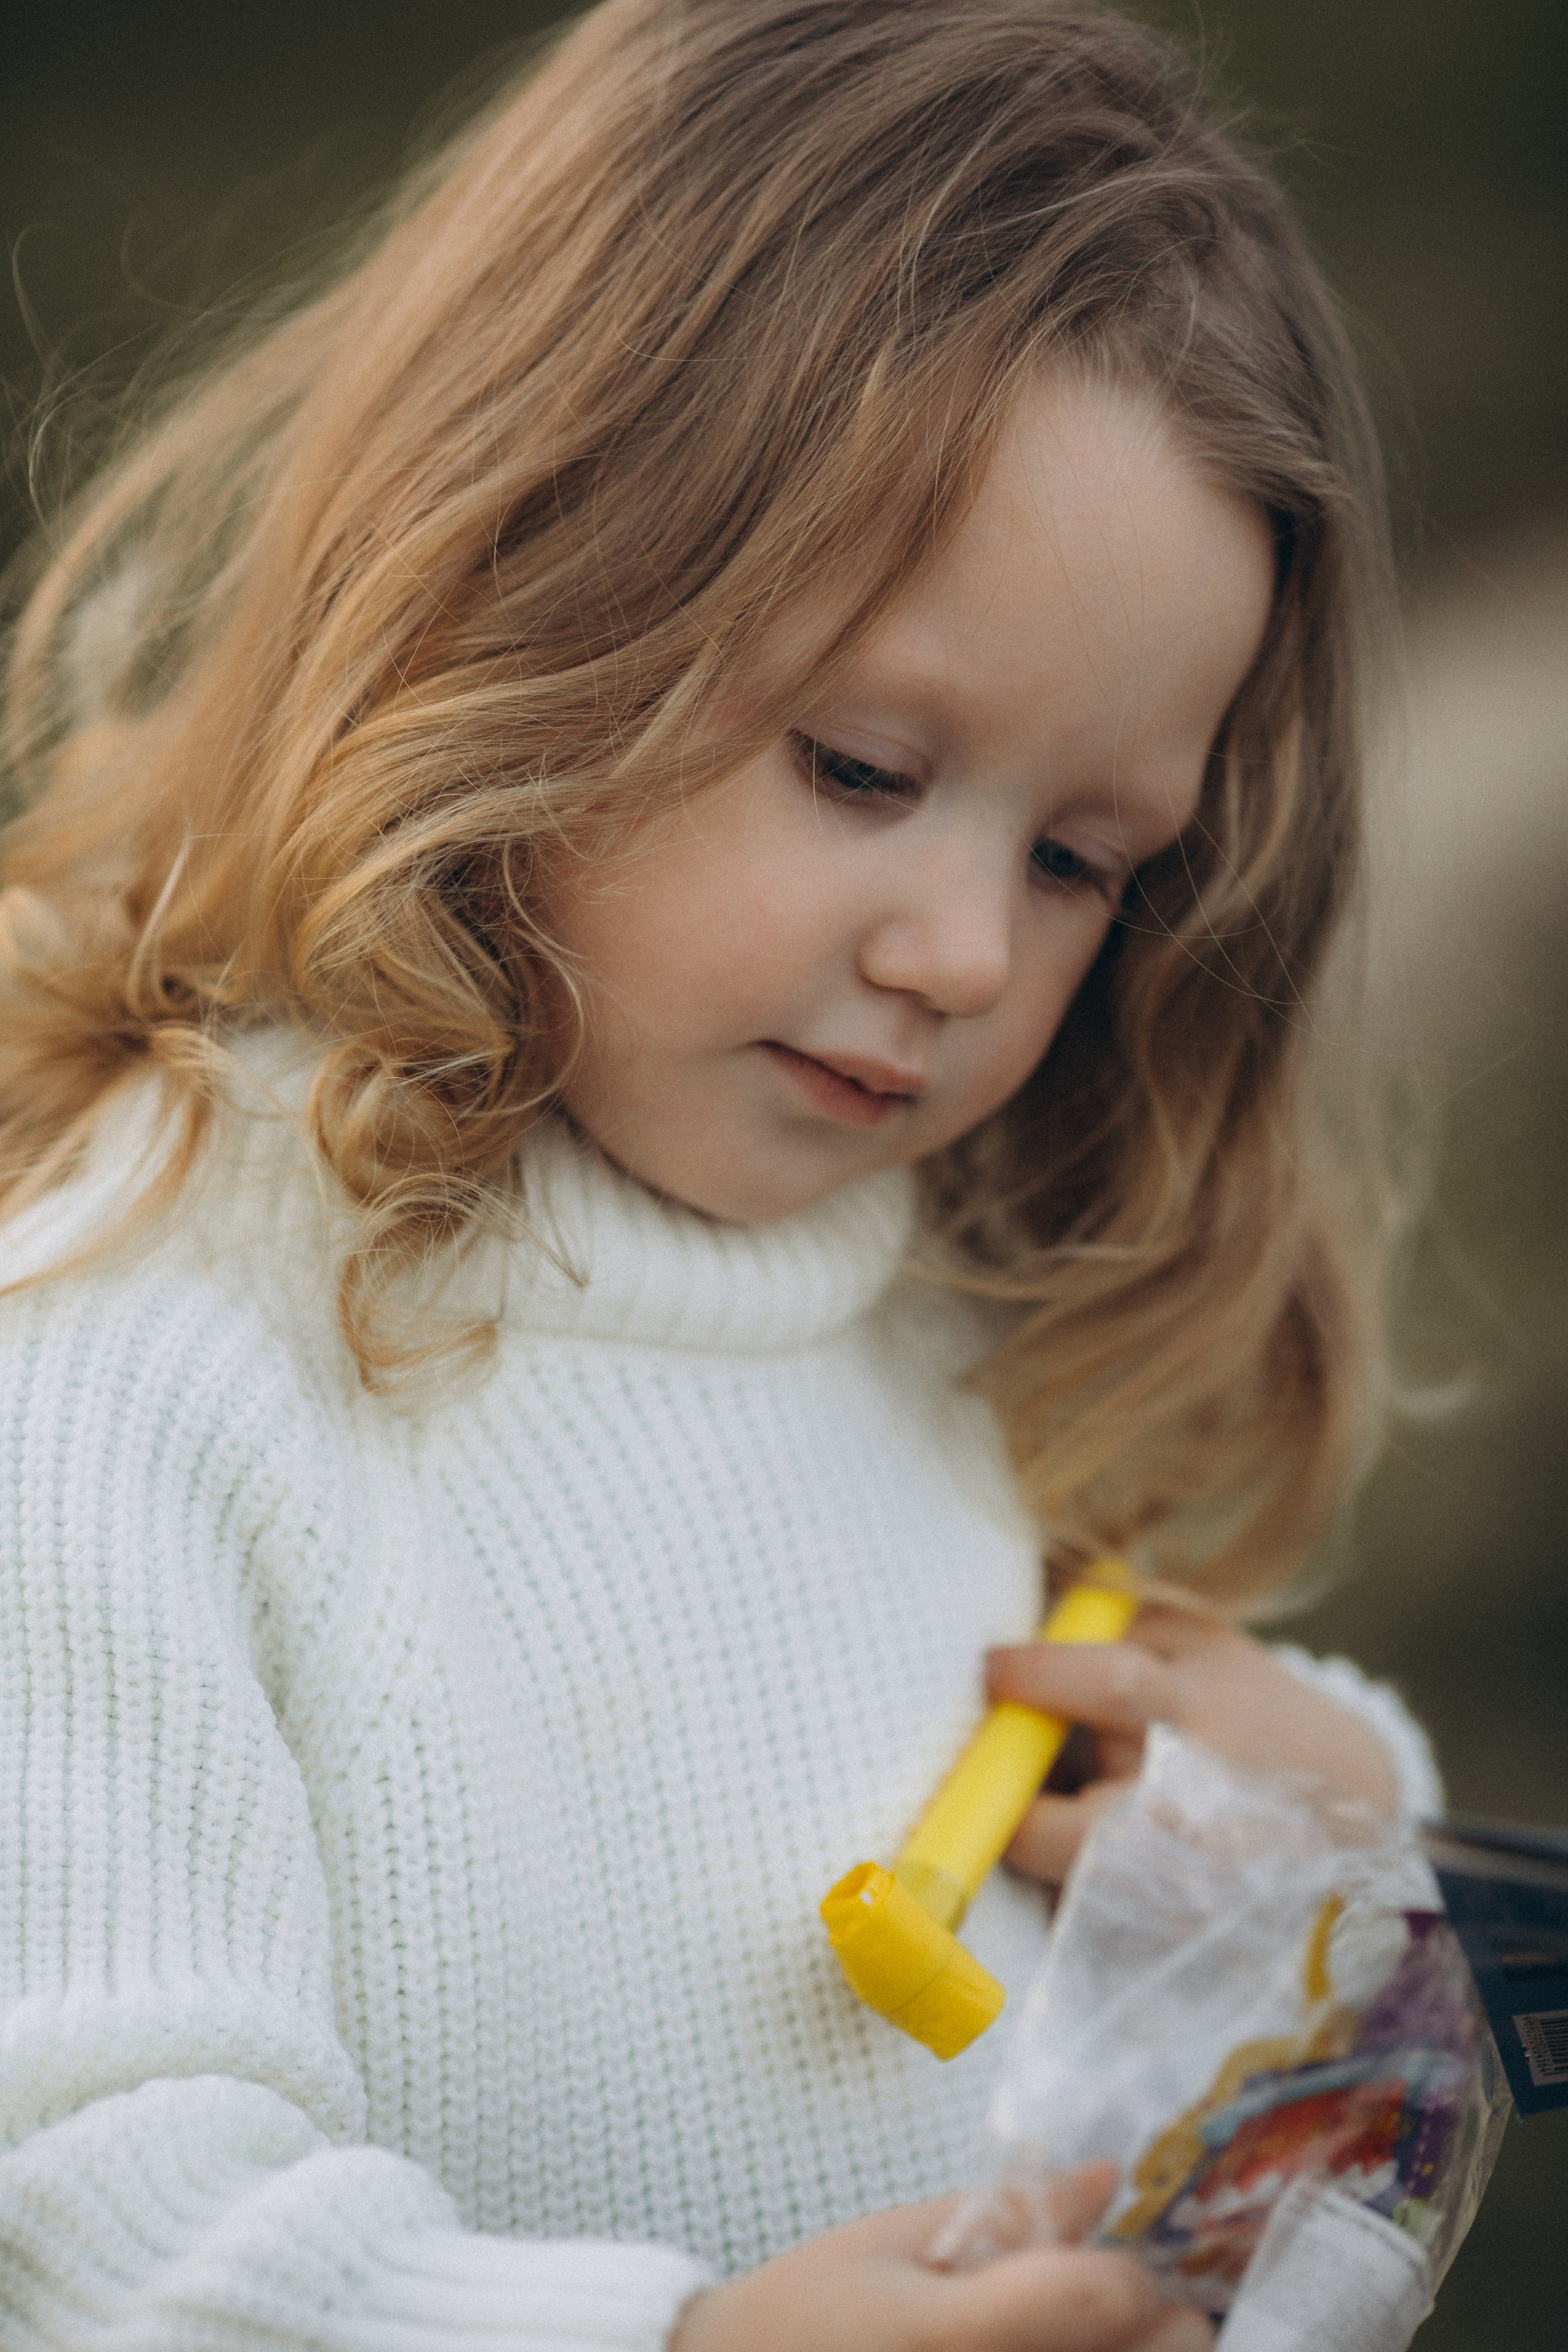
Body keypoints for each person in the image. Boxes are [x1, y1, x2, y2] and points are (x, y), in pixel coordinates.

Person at [0, 4, 1441, 2348]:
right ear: (525, 584)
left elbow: (1263, 2278)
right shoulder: (117, 1346)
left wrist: (1351, 1929)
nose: (965, 950)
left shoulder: (974, 1312)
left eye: (1086, 859)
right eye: (867, 767)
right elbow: (79, 2216)